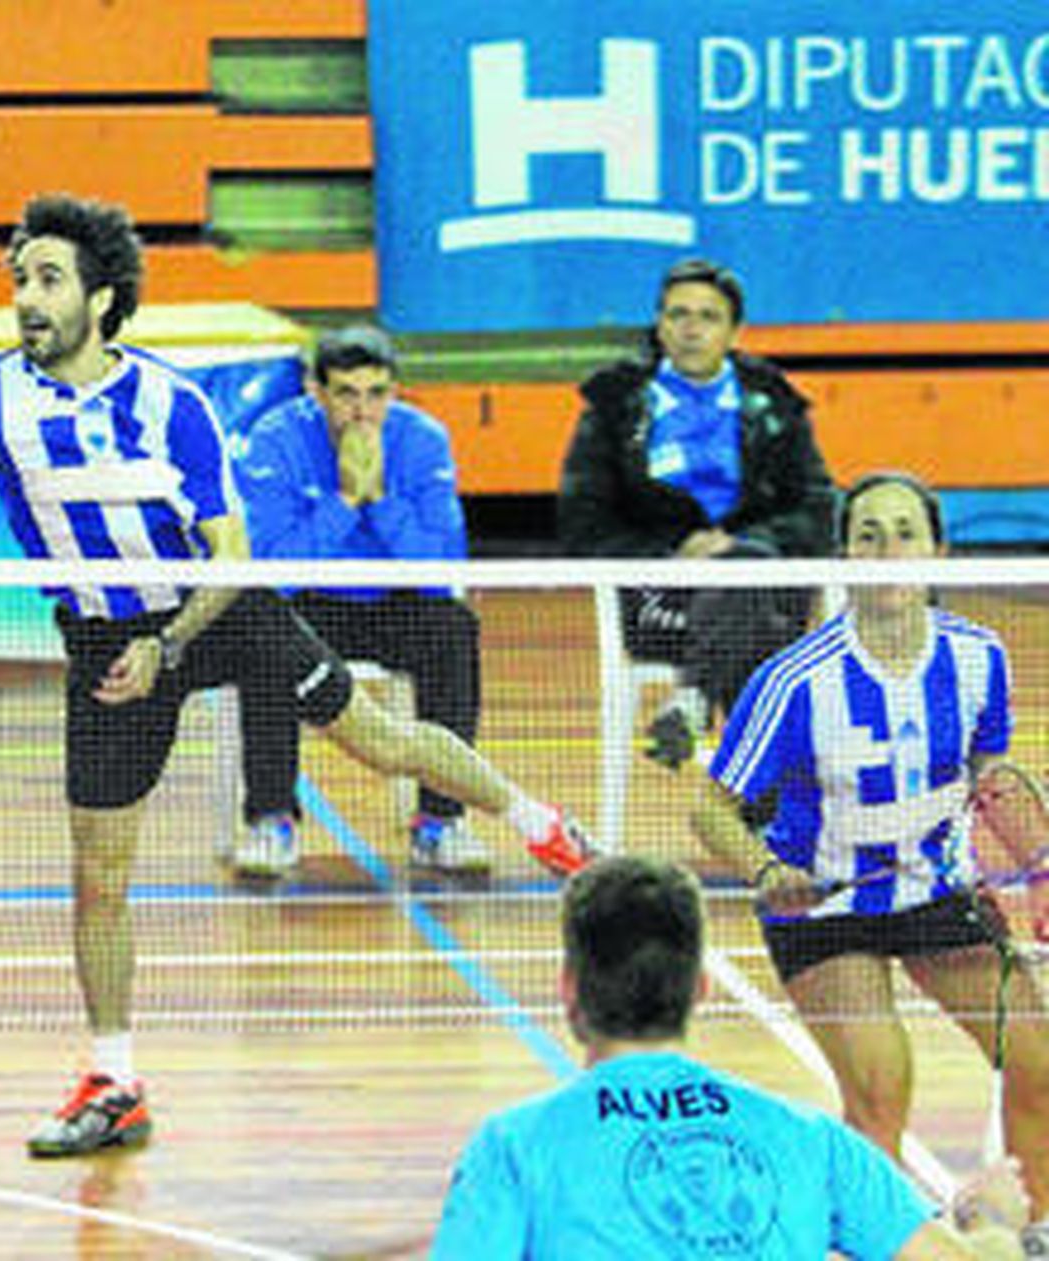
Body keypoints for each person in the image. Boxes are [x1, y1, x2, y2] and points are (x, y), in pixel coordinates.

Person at [0, 193, 594, 1158]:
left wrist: (173, 644)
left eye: (48, 279)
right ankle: (115, 1081)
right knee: (98, 877)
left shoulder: (170, 403)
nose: (26, 296)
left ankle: (547, 829)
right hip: (106, 643)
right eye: (19, 278)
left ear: (101, 299)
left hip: (216, 610)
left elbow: (230, 553)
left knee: (380, 741)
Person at [692, 470, 1049, 1252]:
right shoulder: (795, 680)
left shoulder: (979, 658)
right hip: (824, 911)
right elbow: (708, 806)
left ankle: (1033, 1235)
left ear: (939, 549)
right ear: (844, 552)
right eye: (868, 535)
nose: (888, 551)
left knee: (1039, 1057)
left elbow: (991, 776)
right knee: (882, 1083)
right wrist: (763, 870)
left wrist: (1042, 867)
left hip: (937, 895)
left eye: (905, 533)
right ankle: (878, 1245)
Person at [434, 854, 1030, 1259]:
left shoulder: (511, 1147)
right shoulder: (812, 1140)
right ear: (701, 988)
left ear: (568, 985)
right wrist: (991, 1222)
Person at [557, 257, 837, 769]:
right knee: (764, 644)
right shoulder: (616, 406)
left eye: (708, 317)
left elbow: (818, 510)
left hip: (764, 582)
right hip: (659, 598)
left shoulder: (774, 403)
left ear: (735, 331)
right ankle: (761, 820)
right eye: (677, 315)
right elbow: (583, 521)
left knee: (750, 588)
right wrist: (671, 551)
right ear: (659, 325)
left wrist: (736, 551)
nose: (690, 329)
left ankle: (693, 700)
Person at [231, 324, 487, 878]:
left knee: (454, 629)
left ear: (395, 391)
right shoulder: (275, 440)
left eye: (377, 394)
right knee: (261, 631)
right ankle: (271, 819)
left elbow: (441, 571)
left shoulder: (423, 441)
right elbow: (272, 570)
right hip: (311, 606)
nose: (363, 412)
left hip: (397, 603)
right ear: (315, 391)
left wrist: (383, 502)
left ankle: (440, 823)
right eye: (346, 394)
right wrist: (345, 501)